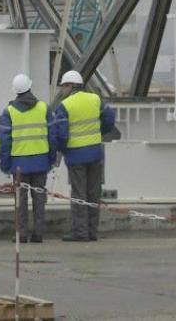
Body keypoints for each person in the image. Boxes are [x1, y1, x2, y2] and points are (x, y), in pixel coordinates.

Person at [54, 69, 116, 242]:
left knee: (79, 194)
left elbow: (61, 134)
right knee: (94, 193)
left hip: (75, 155)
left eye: (64, 86)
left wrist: (62, 149)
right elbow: (109, 119)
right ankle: (92, 231)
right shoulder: (95, 99)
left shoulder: (65, 105)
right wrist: (99, 133)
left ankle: (80, 232)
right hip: (95, 152)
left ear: (70, 85)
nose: (63, 90)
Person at [0, 73, 57, 243]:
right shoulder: (44, 108)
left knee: (20, 200)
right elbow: (52, 136)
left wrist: (5, 164)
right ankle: (38, 233)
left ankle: (21, 234)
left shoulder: (9, 111)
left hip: (19, 164)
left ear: (15, 91)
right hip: (41, 161)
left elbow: (5, 142)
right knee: (39, 198)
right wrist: (51, 158)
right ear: (30, 87)